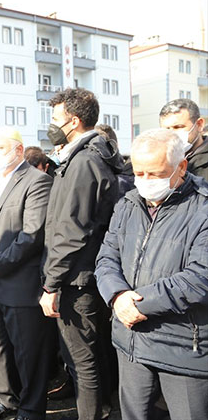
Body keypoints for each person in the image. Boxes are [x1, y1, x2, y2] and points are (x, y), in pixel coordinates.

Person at [95, 129, 208, 420]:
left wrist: (137, 305)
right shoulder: (128, 203)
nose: (145, 181)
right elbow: (107, 258)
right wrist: (117, 296)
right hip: (130, 340)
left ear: (181, 167)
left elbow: (200, 278)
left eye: (155, 173)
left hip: (183, 347)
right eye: (139, 172)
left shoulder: (203, 207)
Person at [39, 88, 124, 420]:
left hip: (76, 280)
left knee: (81, 361)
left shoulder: (84, 161)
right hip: (82, 275)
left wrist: (51, 285)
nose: (52, 125)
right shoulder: (88, 156)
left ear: (73, 122)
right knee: (91, 356)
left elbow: (71, 230)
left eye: (56, 119)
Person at [0, 128, 52, 420]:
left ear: (18, 150)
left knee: (28, 353)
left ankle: (31, 409)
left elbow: (31, 236)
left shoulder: (38, 182)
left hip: (19, 284)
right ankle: (7, 399)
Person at [159, 98, 207, 180]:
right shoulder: (157, 158)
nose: (172, 134)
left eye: (178, 127)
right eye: (166, 129)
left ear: (199, 125)